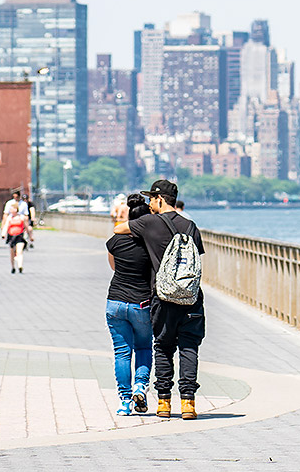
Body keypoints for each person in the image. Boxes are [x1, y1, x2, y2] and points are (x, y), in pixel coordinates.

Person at [114, 179, 205, 421]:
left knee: (163, 347)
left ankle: (164, 403)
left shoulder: (148, 223)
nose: (149, 203)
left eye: (151, 199)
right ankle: (188, 403)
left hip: (163, 298)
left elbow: (118, 229)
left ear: (160, 199)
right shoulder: (190, 226)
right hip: (191, 297)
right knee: (189, 347)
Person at [106, 193, 153, 416]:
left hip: (115, 301)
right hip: (141, 303)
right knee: (143, 347)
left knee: (122, 353)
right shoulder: (150, 244)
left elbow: (114, 267)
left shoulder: (114, 241)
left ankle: (124, 402)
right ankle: (140, 386)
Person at [2, 201, 30, 274]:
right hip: (11, 236)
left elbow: (26, 227)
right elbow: (6, 226)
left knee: (19, 251)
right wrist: (3, 234)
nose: (11, 210)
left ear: (16, 209)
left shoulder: (21, 217)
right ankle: (13, 267)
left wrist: (30, 236)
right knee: (12, 252)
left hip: (20, 236)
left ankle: (20, 266)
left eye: (12, 209)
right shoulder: (9, 218)